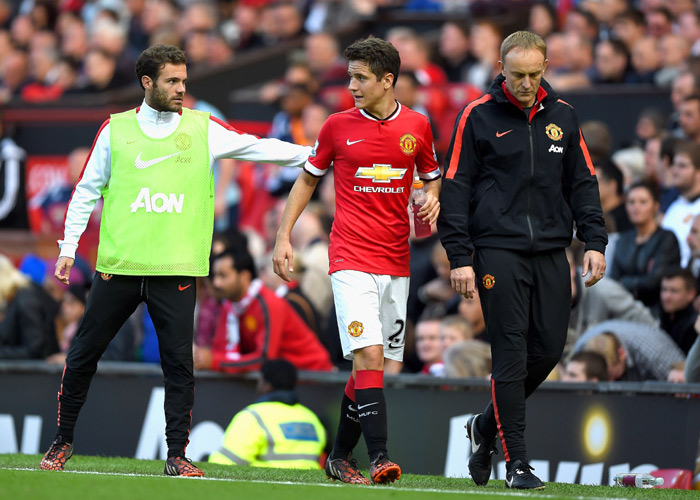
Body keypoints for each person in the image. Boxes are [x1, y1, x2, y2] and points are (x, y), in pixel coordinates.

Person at [40, 45, 312, 477]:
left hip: (176, 270)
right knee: (82, 355)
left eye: (184, 80)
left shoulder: (203, 128)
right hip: (120, 267)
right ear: (147, 82)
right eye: (172, 81)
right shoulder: (115, 129)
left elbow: (259, 147)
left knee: (179, 366)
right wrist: (68, 247)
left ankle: (176, 455)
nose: (181, 88)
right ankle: (62, 441)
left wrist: (316, 154)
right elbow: (85, 190)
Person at [438, 31, 607, 490]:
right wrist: (459, 256)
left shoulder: (564, 116)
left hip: (552, 250)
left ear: (546, 67)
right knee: (510, 354)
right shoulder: (476, 115)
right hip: (498, 250)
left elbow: (583, 182)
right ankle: (517, 463)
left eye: (535, 74)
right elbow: (455, 188)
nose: (527, 83)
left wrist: (594, 240)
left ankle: (484, 425)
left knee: (549, 351)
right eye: (518, 75)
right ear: (501, 68)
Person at [273, 36, 441, 485]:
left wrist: (431, 197)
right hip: (349, 256)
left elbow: (431, 176)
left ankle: (338, 456)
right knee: (368, 354)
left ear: (388, 80)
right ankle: (379, 457)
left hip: (396, 260)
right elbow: (307, 181)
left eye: (361, 78)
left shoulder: (418, 126)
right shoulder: (335, 126)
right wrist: (283, 236)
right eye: (350, 76)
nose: (351, 86)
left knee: (372, 364)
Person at [193, 246, 333, 373]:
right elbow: (220, 350)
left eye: (223, 276)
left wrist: (215, 362)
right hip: (283, 378)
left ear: (244, 276)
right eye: (215, 276)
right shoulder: (230, 305)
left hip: (313, 377)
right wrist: (202, 357)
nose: (216, 283)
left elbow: (264, 358)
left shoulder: (268, 303)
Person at [208, 359, 326, 468]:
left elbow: (224, 463)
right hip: (308, 484)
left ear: (267, 385)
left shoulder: (253, 416)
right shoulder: (311, 418)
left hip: (263, 484)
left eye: (260, 380)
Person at [609, 178, 680, 309]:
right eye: (631, 202)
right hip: (622, 307)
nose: (636, 207)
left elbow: (655, 281)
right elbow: (613, 281)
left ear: (656, 206)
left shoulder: (666, 238)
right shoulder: (623, 239)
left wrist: (624, 281)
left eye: (643, 202)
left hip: (655, 309)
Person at [574, 320, 685, 381]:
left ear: (621, 353)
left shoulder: (654, 352)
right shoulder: (581, 348)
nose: (609, 383)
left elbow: (684, 376)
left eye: (612, 376)